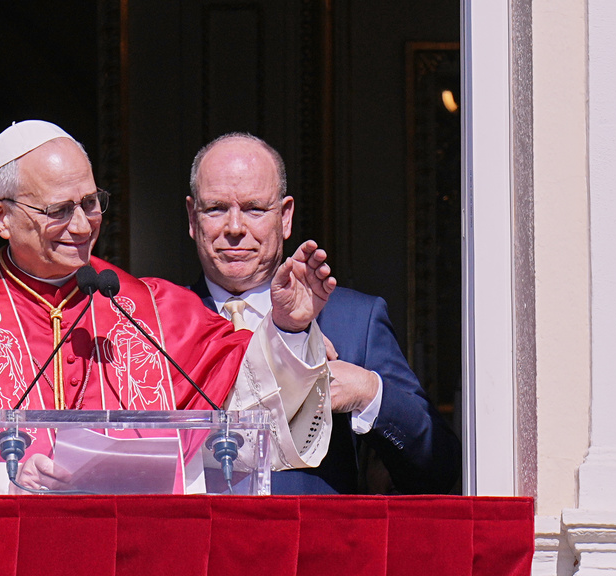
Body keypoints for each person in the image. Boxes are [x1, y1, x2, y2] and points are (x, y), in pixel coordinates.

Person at [0, 120, 337, 494]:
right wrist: (4, 481)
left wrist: (290, 329)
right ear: (2, 218)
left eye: (91, 204)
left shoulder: (153, 310)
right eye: (58, 210)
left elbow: (247, 405)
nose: (80, 226)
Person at [187, 132, 460, 494]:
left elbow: (438, 467)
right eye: (216, 208)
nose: (235, 228)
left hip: (314, 547)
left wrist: (369, 393)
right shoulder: (156, 322)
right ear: (192, 217)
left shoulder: (352, 321)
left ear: (285, 217)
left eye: (254, 208)